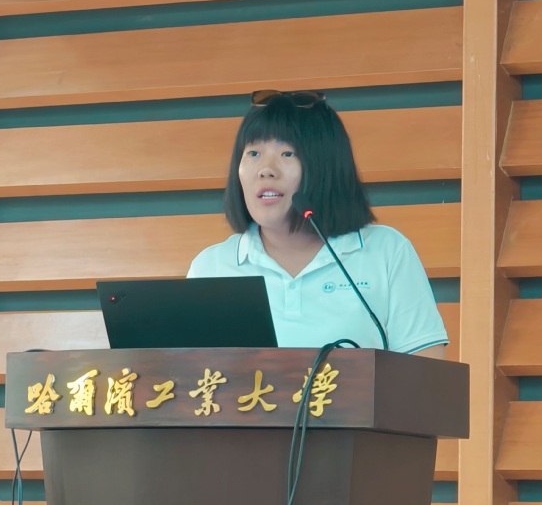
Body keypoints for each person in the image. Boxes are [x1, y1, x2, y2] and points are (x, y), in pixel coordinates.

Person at [187, 89, 448, 358]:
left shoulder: (386, 252)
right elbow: (184, 377)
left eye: (288, 153)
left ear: (326, 167)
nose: (266, 169)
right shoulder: (211, 268)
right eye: (253, 153)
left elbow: (427, 373)